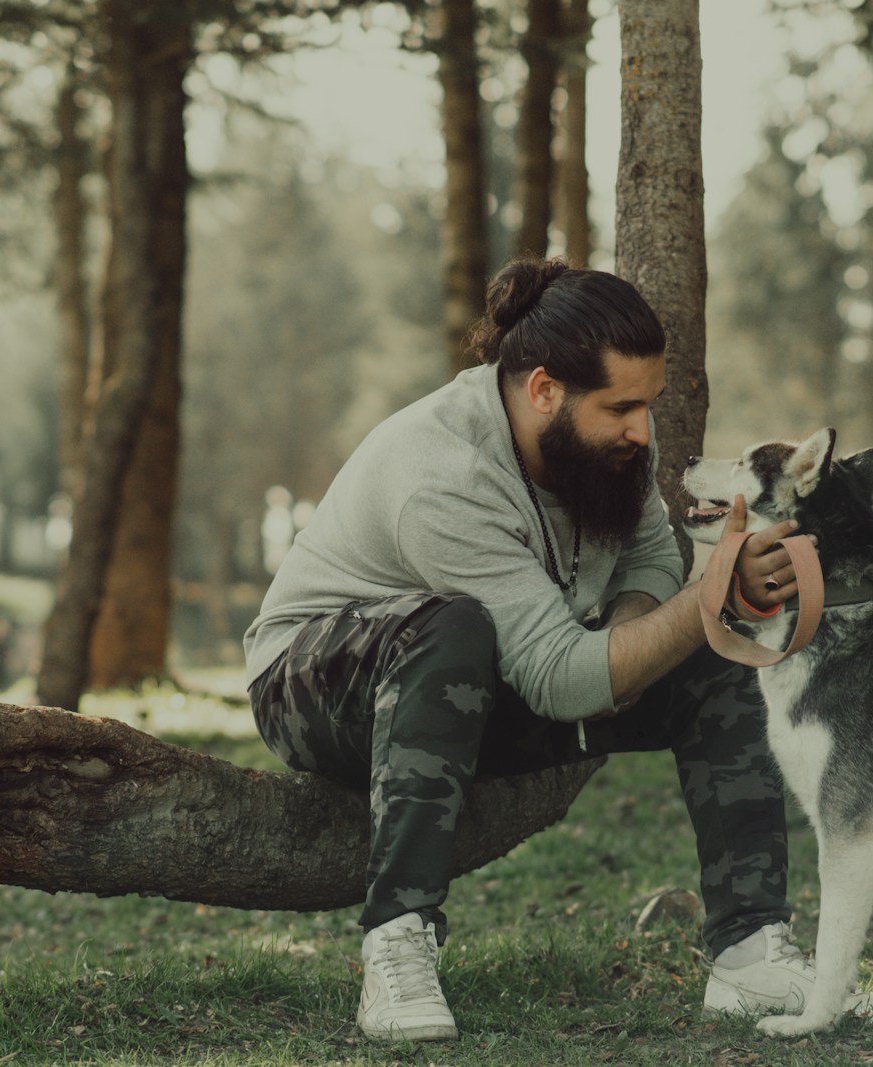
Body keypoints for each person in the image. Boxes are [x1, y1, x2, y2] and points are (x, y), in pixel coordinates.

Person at [244, 257, 817, 1042]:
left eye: (647, 405)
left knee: (716, 646)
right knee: (455, 626)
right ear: (543, 388)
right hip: (318, 685)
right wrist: (698, 598)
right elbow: (557, 678)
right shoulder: (441, 470)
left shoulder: (606, 445)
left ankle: (750, 952)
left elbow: (653, 558)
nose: (644, 432)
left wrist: (644, 624)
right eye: (622, 407)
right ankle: (396, 945)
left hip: (487, 672)